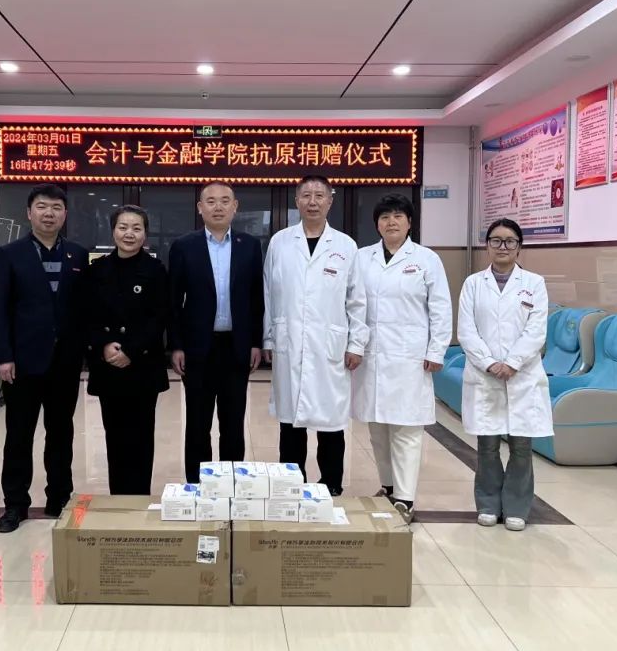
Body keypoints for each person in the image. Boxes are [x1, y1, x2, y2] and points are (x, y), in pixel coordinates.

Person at [0, 184, 88, 531]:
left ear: (65, 214)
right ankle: (15, 505)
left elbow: (83, 309)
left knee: (61, 433)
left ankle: (59, 498)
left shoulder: (78, 255)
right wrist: (3, 356)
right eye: (43, 207)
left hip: (65, 362)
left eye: (56, 207)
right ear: (29, 213)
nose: (49, 213)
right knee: (19, 435)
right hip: (23, 362)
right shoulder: (9, 254)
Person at [263, 175, 368, 495]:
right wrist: (269, 337)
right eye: (306, 195)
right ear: (296, 201)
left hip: (329, 346)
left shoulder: (346, 246)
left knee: (331, 422)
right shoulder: (280, 242)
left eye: (319, 195)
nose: (312, 202)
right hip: (289, 341)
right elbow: (269, 293)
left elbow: (357, 299)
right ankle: (291, 484)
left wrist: (356, 343)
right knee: (290, 422)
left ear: (330, 201)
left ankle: (331, 484)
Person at [352, 193, 451, 520]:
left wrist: (436, 349)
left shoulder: (425, 259)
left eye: (398, 216)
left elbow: (440, 308)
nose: (391, 222)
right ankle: (388, 486)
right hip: (372, 355)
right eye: (384, 217)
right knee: (378, 428)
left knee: (407, 429)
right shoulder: (362, 258)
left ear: (409, 223)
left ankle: (405, 498)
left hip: (411, 357)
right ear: (377, 224)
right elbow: (354, 305)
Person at [458, 217, 551, 532]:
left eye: (510, 241)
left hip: (522, 375)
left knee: (521, 447)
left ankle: (517, 507)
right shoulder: (473, 284)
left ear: (519, 246)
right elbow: (466, 330)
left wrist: (512, 362)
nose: (503, 246)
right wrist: (489, 363)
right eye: (496, 240)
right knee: (487, 446)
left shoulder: (534, 283)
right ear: (487, 245)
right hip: (485, 375)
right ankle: (487, 504)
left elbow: (536, 330)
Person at [168, 181, 264, 483]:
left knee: (233, 423)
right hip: (198, 348)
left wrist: (255, 342)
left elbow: (256, 298)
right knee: (198, 423)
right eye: (210, 201)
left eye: (225, 201)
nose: (218, 207)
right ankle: (197, 486)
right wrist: (176, 345)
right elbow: (173, 301)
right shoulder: (184, 246)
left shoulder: (250, 245)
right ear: (200, 208)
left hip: (236, 347)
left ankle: (230, 485)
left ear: (235, 207)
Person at [82, 206, 170, 495]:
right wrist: (104, 346)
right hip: (108, 366)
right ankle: (118, 498)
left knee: (142, 437)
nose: (129, 234)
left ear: (145, 234)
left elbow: (160, 317)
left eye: (136, 228)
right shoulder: (97, 270)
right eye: (123, 227)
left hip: (142, 366)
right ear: (113, 231)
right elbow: (86, 316)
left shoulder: (155, 271)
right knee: (114, 435)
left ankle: (139, 498)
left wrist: (130, 350)